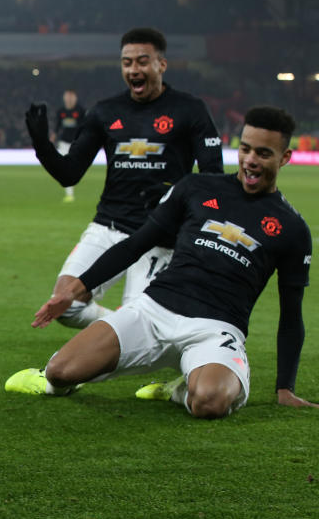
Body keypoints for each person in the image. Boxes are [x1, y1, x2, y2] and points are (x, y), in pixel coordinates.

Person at [6, 106, 316, 418]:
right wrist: (74, 291)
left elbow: (291, 314)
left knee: (209, 402)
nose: (250, 160)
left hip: (216, 328)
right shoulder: (196, 187)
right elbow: (136, 243)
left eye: (263, 154)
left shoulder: (292, 228)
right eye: (245, 149)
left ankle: (178, 390)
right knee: (59, 371)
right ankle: (62, 378)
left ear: (285, 157)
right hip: (153, 311)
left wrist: (285, 388)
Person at [20, 27, 223, 333]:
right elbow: (69, 173)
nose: (134, 69)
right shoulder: (105, 112)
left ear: (161, 65)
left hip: (159, 234)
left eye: (142, 61)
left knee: (143, 325)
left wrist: (177, 194)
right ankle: (117, 326)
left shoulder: (190, 109)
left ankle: (142, 338)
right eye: (127, 63)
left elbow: (213, 176)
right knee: (66, 304)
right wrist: (41, 144)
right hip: (109, 224)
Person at [51, 89, 85, 202]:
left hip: (76, 143)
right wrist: (53, 136)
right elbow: (57, 126)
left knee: (74, 168)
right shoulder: (61, 111)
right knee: (65, 169)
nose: (69, 99)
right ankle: (69, 194)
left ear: (75, 98)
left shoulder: (80, 111)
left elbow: (84, 127)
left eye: (71, 97)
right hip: (64, 143)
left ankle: (70, 189)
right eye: (67, 97)